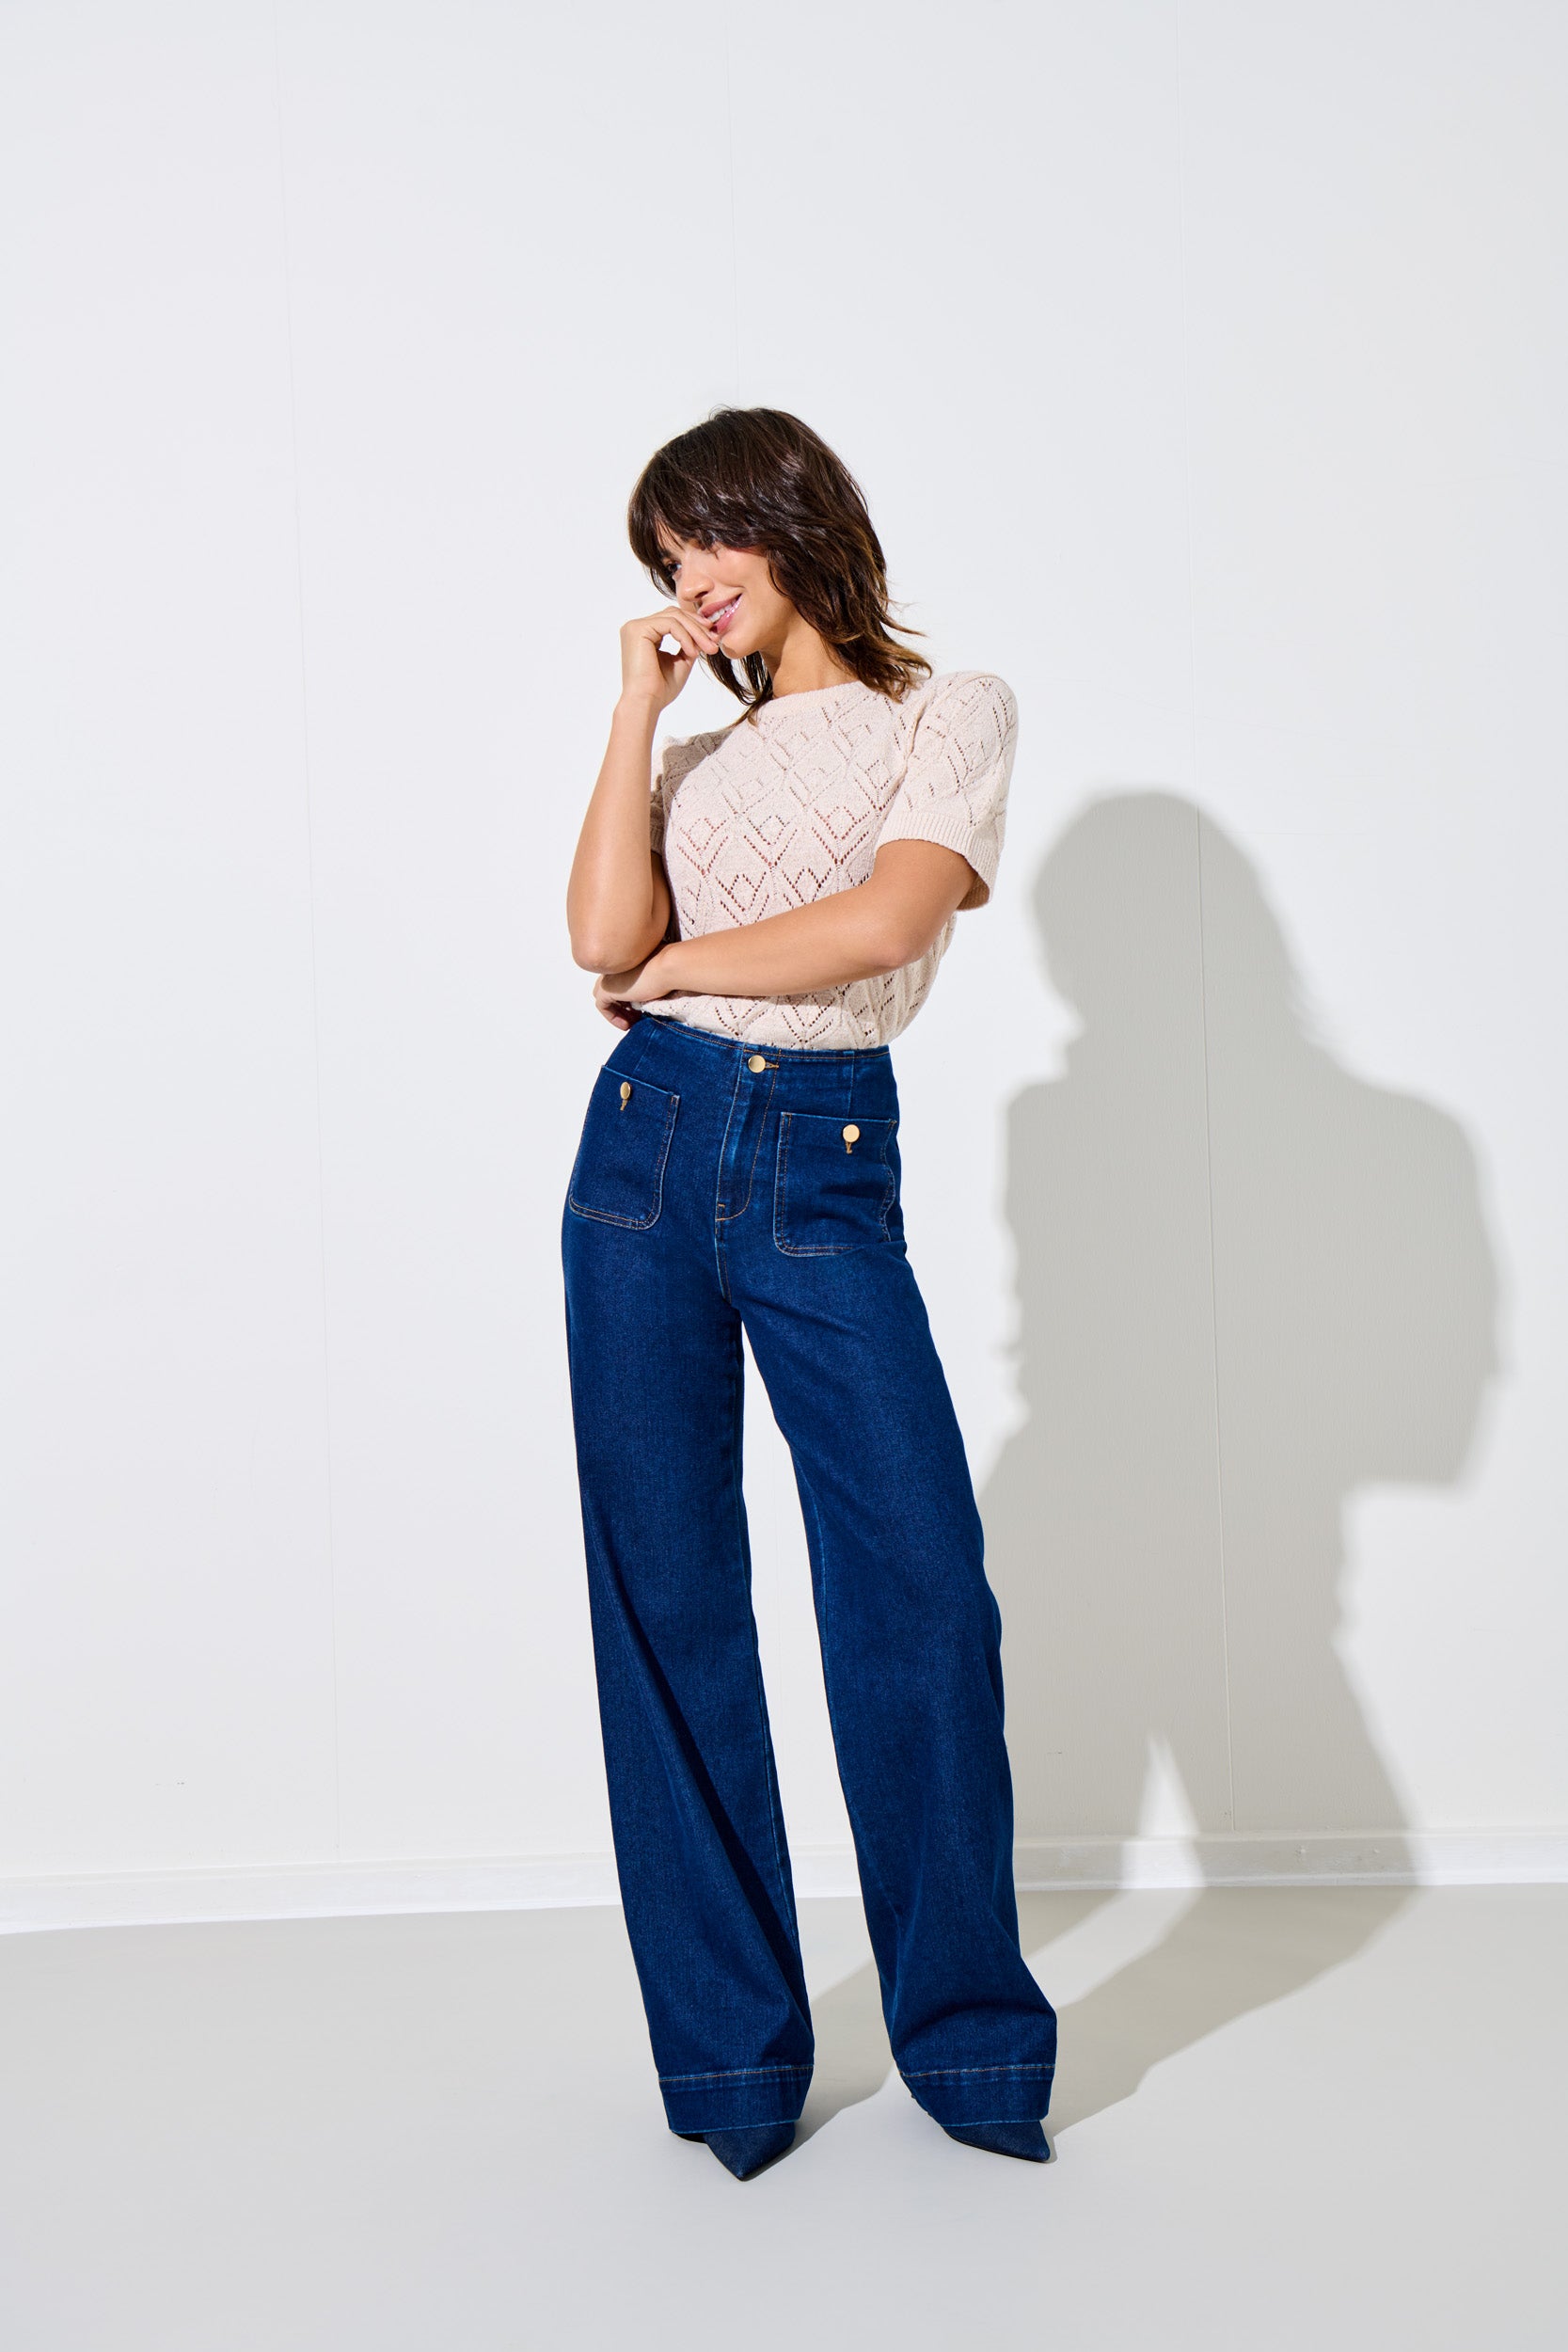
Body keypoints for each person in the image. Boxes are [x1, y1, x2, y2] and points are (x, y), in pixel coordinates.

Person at [561, 406, 1056, 2181]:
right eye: (664, 557)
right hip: (642, 1152)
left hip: (822, 1159)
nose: (691, 580)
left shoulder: (947, 712)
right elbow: (595, 937)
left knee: (918, 1591)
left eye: (710, 537)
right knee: (668, 1599)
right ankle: (732, 2070)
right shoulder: (695, 761)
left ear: (793, 519)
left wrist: (676, 965)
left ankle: (974, 2053)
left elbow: (890, 923)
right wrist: (635, 712)